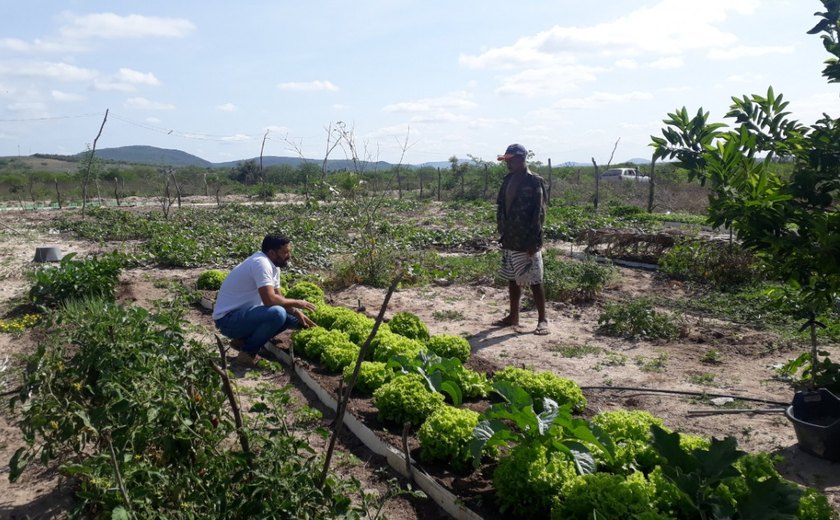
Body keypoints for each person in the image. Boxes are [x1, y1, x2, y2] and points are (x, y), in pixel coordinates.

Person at [212, 234, 317, 367]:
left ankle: (243, 340)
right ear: (272, 253)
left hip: (242, 316)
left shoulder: (273, 266)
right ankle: (247, 353)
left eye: (289, 251)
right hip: (227, 320)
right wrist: (297, 302)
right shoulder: (261, 264)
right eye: (285, 252)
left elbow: (279, 297)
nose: (289, 255)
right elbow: (269, 300)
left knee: (292, 319)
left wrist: (297, 313)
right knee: (277, 314)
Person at [494, 143, 550, 335]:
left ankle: (542, 320)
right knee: (512, 278)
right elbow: (501, 207)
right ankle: (513, 316)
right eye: (506, 161)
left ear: (521, 159)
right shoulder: (508, 179)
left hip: (527, 239)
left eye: (510, 160)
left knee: (535, 279)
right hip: (510, 237)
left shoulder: (534, 181)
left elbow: (539, 213)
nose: (507, 164)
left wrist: (534, 242)